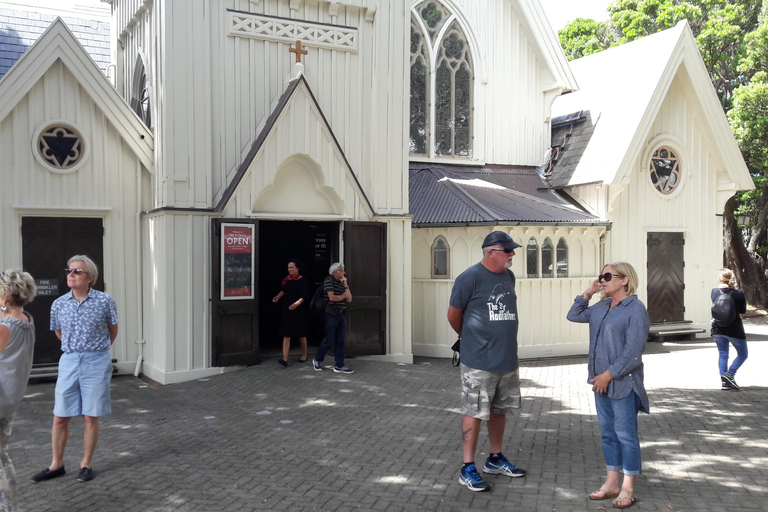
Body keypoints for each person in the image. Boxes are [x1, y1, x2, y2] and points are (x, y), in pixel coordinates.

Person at [447, 231, 526, 493]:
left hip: (506, 358)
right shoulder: (469, 277)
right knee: (474, 411)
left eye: (512, 250)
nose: (512, 254)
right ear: (491, 252)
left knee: (499, 410)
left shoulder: (508, 276)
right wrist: (466, 336)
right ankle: (467, 467)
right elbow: (453, 315)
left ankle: (495, 458)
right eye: (508, 250)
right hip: (479, 360)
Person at [567, 262, 650, 510]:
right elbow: (573, 315)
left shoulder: (635, 309)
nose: (602, 279)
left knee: (626, 436)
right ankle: (612, 483)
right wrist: (588, 293)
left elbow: (634, 352)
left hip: (622, 383)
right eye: (601, 276)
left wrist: (609, 374)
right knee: (608, 435)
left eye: (607, 276)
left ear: (625, 280)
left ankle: (628, 488)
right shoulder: (601, 305)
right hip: (599, 383)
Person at [32, 255, 118, 484]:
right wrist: (75, 349)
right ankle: (56, 465)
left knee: (90, 416)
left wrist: (95, 350)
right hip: (69, 361)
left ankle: (86, 464)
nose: (71, 274)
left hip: (96, 361)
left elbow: (112, 329)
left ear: (90, 277)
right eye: (69, 270)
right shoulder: (59, 304)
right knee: (60, 416)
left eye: (77, 271)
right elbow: (58, 332)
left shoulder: (105, 301)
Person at [0, 270, 37, 512]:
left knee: (1, 459)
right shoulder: (27, 322)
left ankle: (8, 507)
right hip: (9, 400)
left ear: (5, 294)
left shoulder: (4, 327)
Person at [312, 262, 353, 374]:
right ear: (336, 272)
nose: (344, 272)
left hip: (340, 314)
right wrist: (342, 296)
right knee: (329, 339)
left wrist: (346, 285)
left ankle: (339, 365)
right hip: (331, 314)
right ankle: (317, 360)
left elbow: (349, 299)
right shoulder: (329, 281)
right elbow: (332, 297)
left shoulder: (342, 282)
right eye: (342, 270)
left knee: (341, 340)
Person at [710, 268, 747, 391]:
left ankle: (724, 383)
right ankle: (729, 374)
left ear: (720, 279)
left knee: (723, 354)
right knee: (743, 354)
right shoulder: (739, 293)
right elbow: (742, 311)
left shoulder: (714, 292)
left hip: (718, 329)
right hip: (734, 329)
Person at [272, 259, 309, 366]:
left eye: (291, 267)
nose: (289, 269)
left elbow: (305, 295)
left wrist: (297, 303)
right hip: (287, 309)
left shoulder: (303, 280)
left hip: (298, 309)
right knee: (286, 333)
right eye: (288, 267)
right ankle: (285, 358)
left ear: (298, 268)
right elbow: (283, 290)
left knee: (301, 333)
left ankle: (304, 354)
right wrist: (277, 297)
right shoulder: (286, 280)